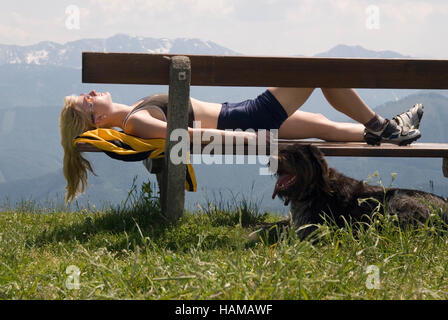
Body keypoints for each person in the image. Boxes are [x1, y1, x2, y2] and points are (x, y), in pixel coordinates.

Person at [59, 87, 423, 202]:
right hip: (248, 119)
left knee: (328, 128)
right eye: (86, 101)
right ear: (98, 120)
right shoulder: (134, 120)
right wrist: (253, 140)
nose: (91, 94)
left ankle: (387, 128)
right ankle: (380, 124)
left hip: (243, 115)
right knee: (320, 73)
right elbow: (187, 138)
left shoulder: (134, 112)